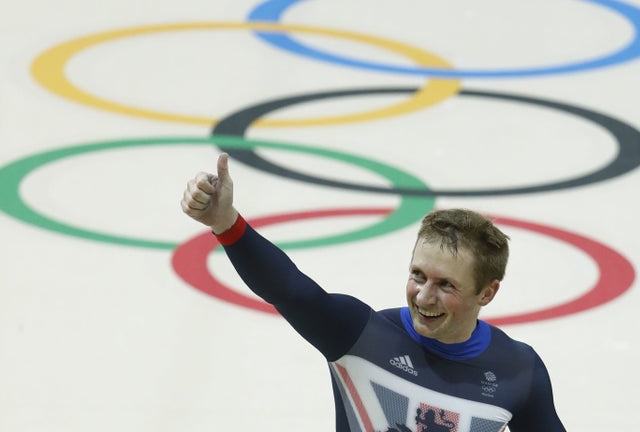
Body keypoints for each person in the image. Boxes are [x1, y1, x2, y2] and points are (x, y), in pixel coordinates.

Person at [181, 153, 566, 432]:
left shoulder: (519, 372)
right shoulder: (359, 336)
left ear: (487, 292)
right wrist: (225, 224)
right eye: (418, 275)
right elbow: (290, 290)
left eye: (446, 284)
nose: (424, 296)